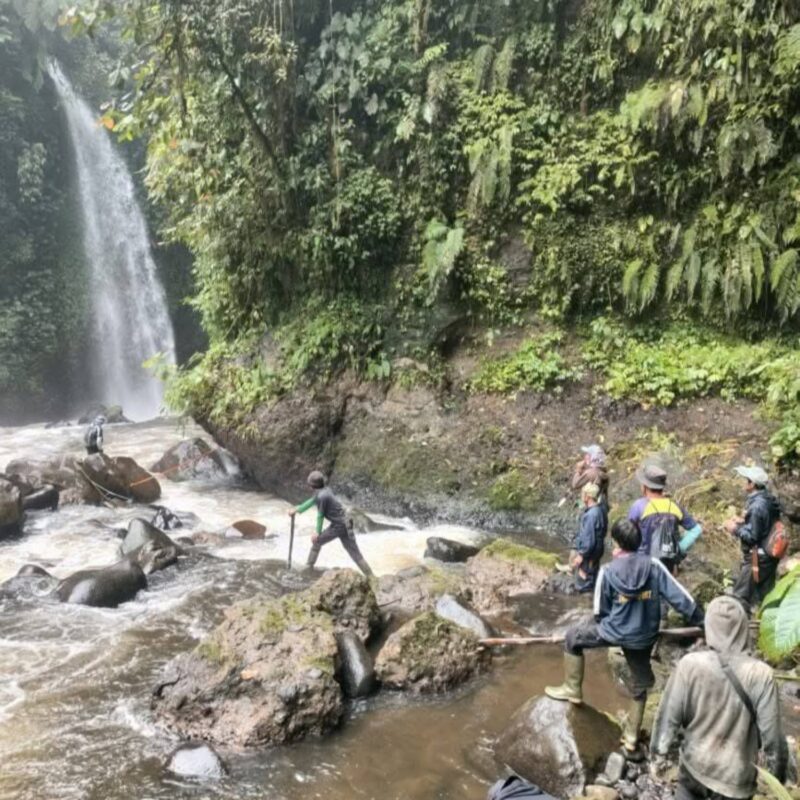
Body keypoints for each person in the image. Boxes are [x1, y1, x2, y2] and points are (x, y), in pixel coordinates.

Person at [545, 518, 703, 760]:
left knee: (573, 637)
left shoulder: (608, 571)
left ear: (617, 543)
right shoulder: (653, 565)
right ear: (638, 542)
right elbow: (681, 598)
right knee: (640, 685)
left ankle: (573, 689)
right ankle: (630, 737)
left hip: (613, 632)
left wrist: (617, 621)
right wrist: (702, 622)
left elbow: (599, 611)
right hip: (643, 637)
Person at [650, 595, 788, 800]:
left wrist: (658, 759)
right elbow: (772, 737)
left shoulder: (689, 665)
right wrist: (777, 779)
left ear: (709, 627)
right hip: (735, 778)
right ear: (743, 628)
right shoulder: (761, 674)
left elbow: (668, 718)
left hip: (694, 767)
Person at [288, 470, 374, 578]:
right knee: (354, 553)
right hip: (346, 523)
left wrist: (317, 532)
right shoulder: (325, 490)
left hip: (339, 526)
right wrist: (297, 509)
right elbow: (311, 501)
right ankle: (371, 576)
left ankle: (308, 567)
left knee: (317, 541)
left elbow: (320, 516)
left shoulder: (322, 497)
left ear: (312, 486)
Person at [724, 466, 782, 614]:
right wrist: (745, 522)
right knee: (767, 597)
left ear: (752, 485)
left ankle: (738, 631)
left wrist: (734, 528)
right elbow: (764, 526)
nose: (744, 483)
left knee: (739, 597)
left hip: (757, 558)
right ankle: (765, 628)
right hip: (769, 557)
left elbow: (752, 537)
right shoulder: (768, 499)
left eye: (746, 481)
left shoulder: (756, 506)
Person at [628, 464, 703, 573]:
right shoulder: (674, 506)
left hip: (644, 563)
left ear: (645, 487)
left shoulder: (639, 506)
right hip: (669, 564)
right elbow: (696, 530)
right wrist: (680, 548)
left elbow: (628, 533)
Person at [572, 483, 607, 593]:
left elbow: (589, 539)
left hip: (588, 556)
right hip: (595, 554)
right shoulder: (601, 510)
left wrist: (581, 555)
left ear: (588, 496)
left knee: (583, 583)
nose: (581, 496)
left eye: (583, 494)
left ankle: (584, 605)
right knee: (593, 579)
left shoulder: (591, 515)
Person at [572, 444, 609, 509]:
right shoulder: (602, 472)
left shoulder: (591, 473)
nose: (585, 456)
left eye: (588, 454)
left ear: (593, 457)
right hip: (601, 507)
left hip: (592, 508)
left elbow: (575, 484)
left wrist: (578, 470)